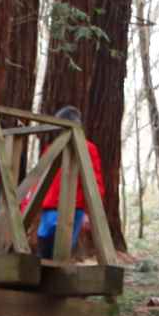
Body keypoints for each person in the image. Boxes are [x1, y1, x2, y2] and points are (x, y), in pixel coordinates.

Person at [35, 107, 107, 259]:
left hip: (72, 208)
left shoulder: (87, 149)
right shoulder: (52, 148)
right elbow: (38, 180)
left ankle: (49, 280)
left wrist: (89, 212)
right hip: (52, 207)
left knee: (56, 251)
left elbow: (93, 183)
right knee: (50, 250)